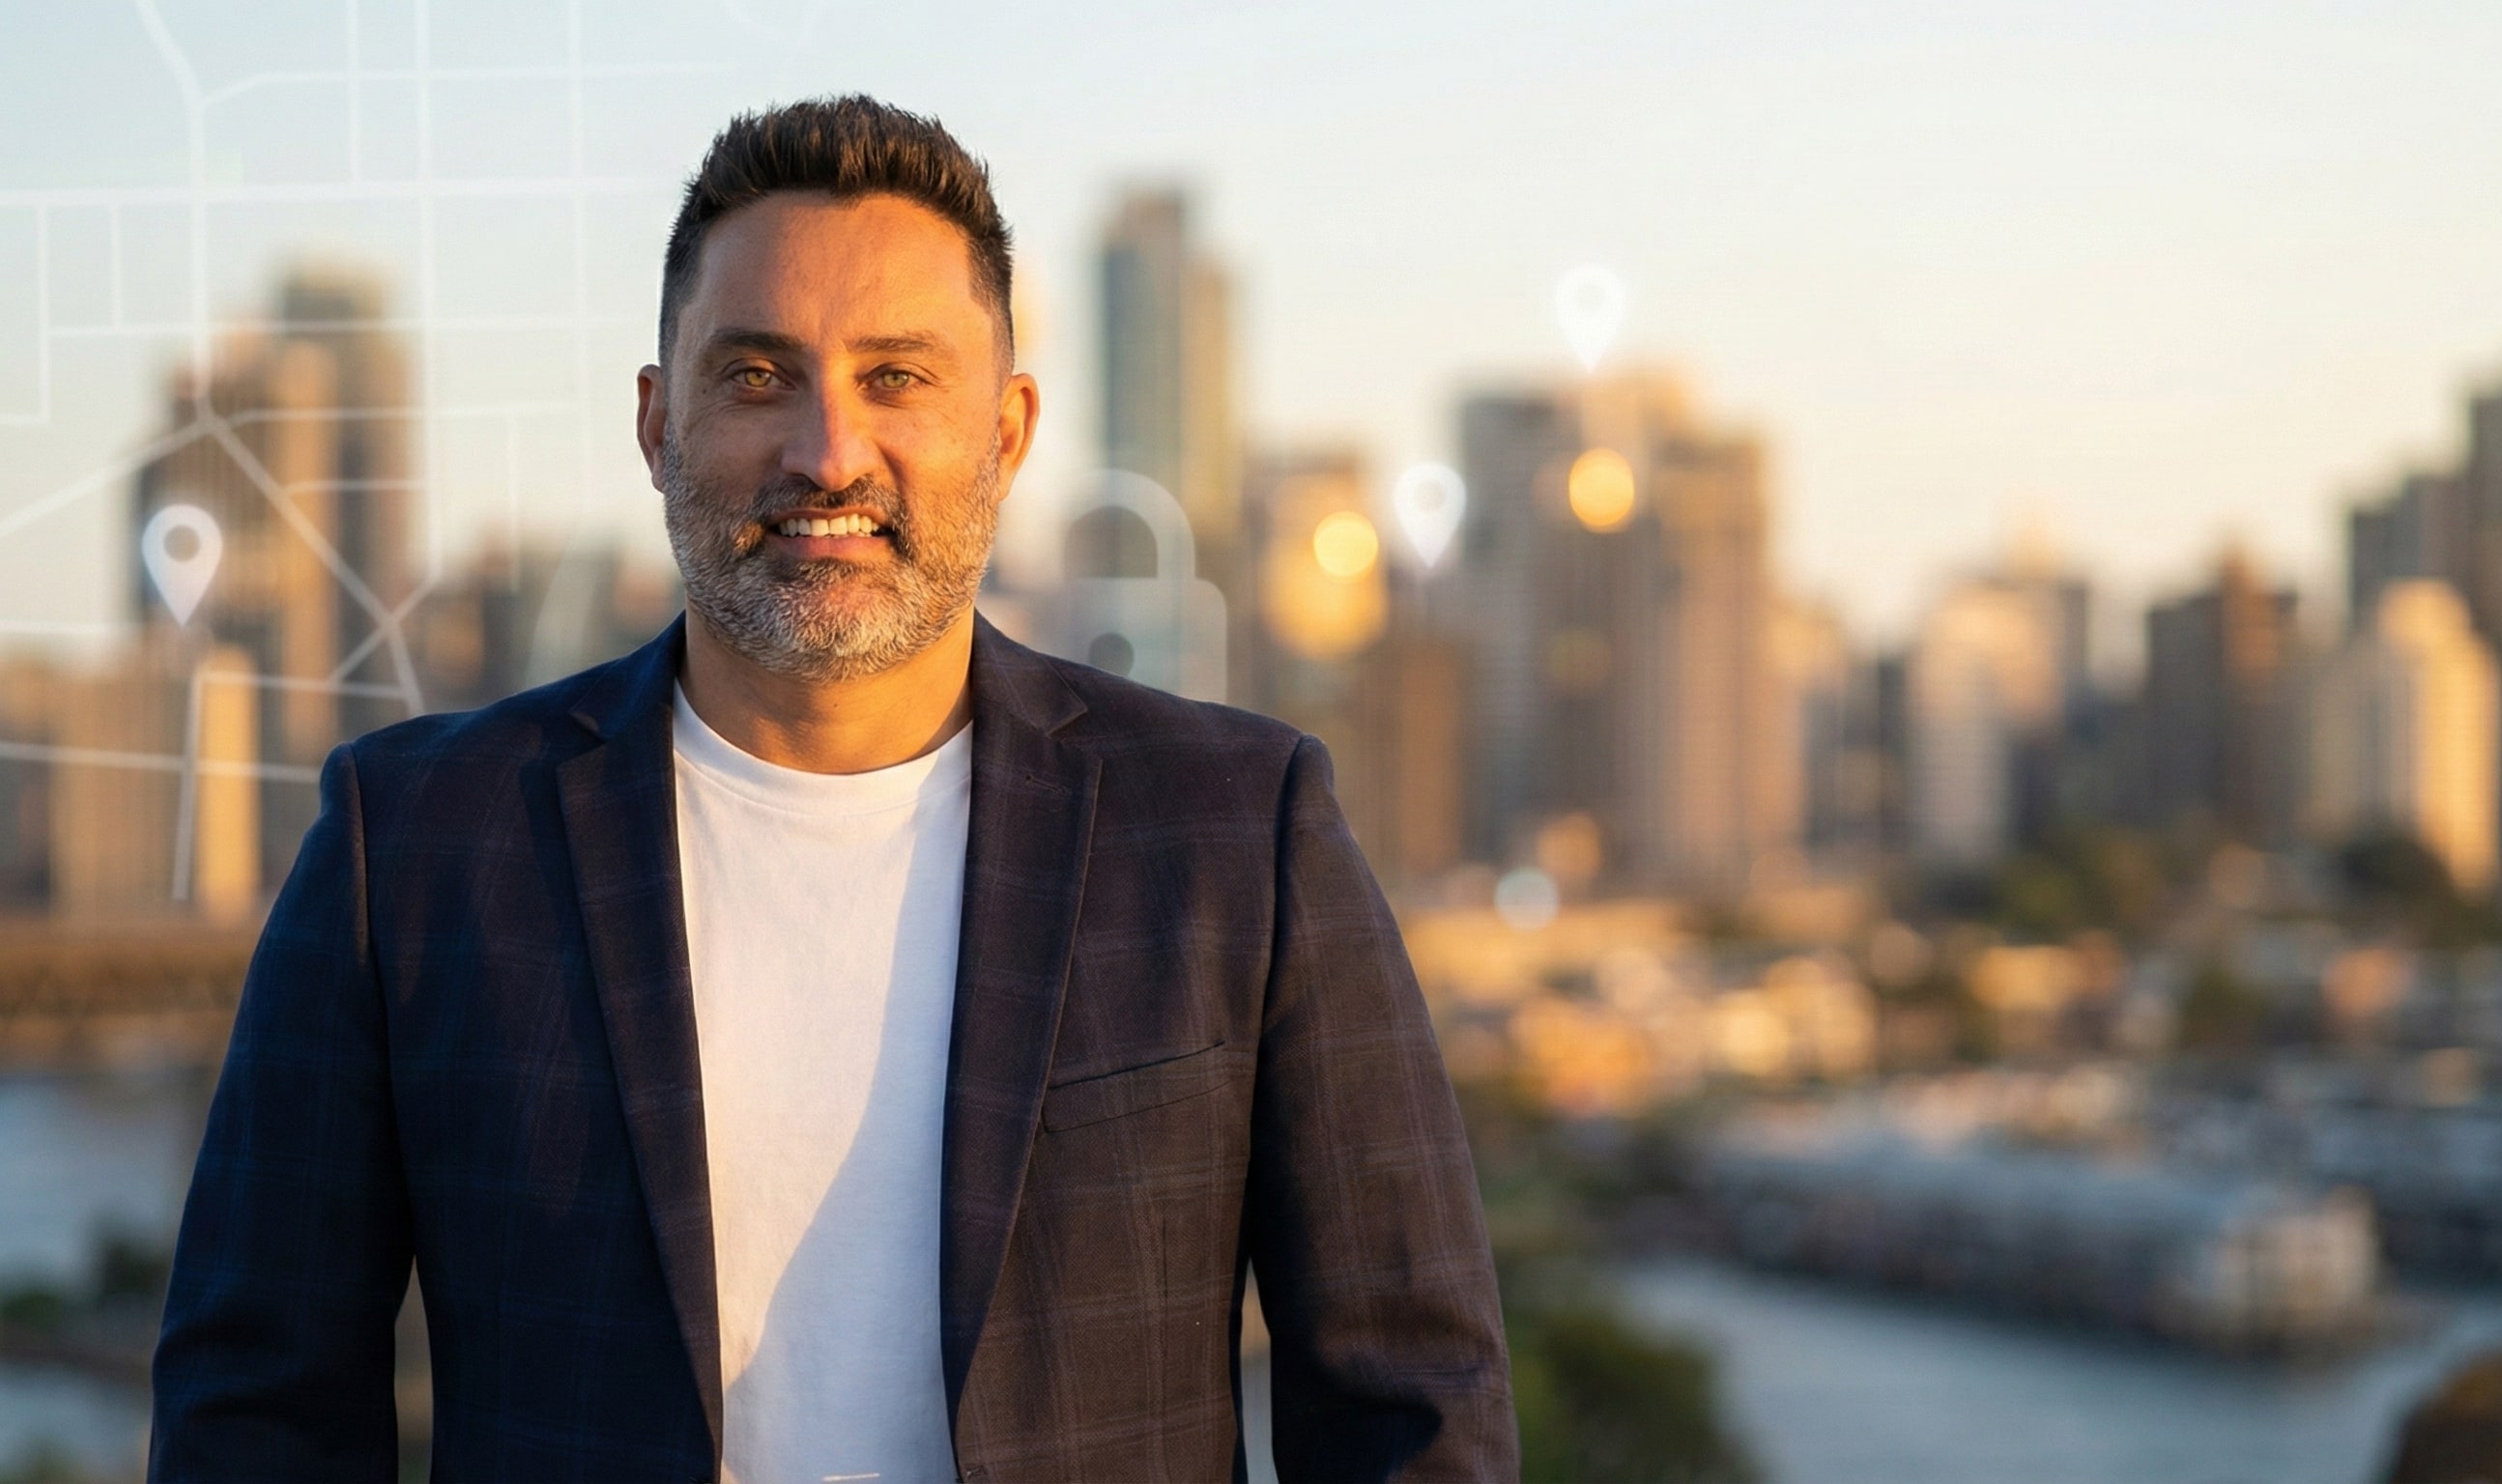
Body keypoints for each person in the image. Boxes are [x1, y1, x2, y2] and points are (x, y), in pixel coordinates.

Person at [148, 95, 1514, 1483]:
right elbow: (257, 1412)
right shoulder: (418, 846)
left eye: (897, 377)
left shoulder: (1237, 832)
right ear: (655, 424)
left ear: (1009, 430)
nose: (826, 453)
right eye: (755, 375)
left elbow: (1410, 1402)